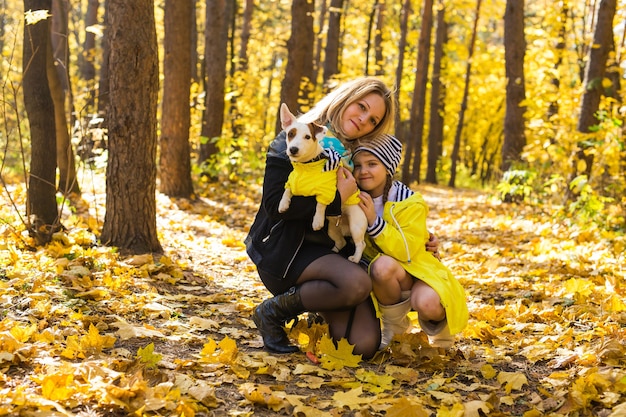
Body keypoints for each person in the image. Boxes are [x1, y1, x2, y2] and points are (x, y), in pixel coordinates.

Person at [245, 77, 397, 359]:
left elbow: (382, 203)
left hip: (332, 254)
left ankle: (321, 303)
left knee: (363, 346)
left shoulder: (357, 157)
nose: (364, 119)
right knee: (357, 283)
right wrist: (336, 199)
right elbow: (273, 204)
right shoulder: (295, 136)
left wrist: (421, 237)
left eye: (373, 119)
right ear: (346, 97)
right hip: (287, 252)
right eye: (361, 106)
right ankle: (272, 311)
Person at [350, 134, 468, 349]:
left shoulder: (408, 200)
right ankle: (394, 328)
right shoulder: (354, 199)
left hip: (419, 269)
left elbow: (407, 250)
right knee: (382, 266)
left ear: (388, 167)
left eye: (372, 164)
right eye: (357, 165)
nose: (363, 171)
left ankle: (442, 334)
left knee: (427, 303)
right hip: (389, 276)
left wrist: (374, 222)